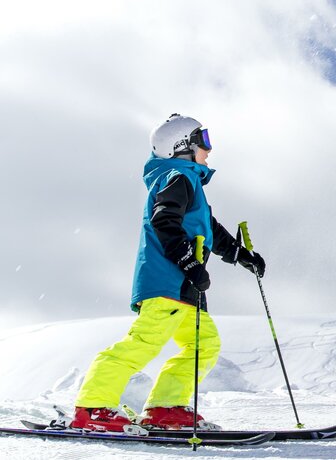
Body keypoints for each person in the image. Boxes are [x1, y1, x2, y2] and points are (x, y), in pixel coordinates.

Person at [65, 114, 266, 432]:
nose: (209, 149)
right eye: (204, 141)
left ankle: (165, 407)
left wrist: (242, 256)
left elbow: (210, 230)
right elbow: (164, 221)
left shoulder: (190, 183)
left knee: (204, 345)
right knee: (143, 342)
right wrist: (189, 263)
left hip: (185, 287)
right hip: (167, 281)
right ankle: (93, 408)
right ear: (182, 147)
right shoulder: (177, 177)